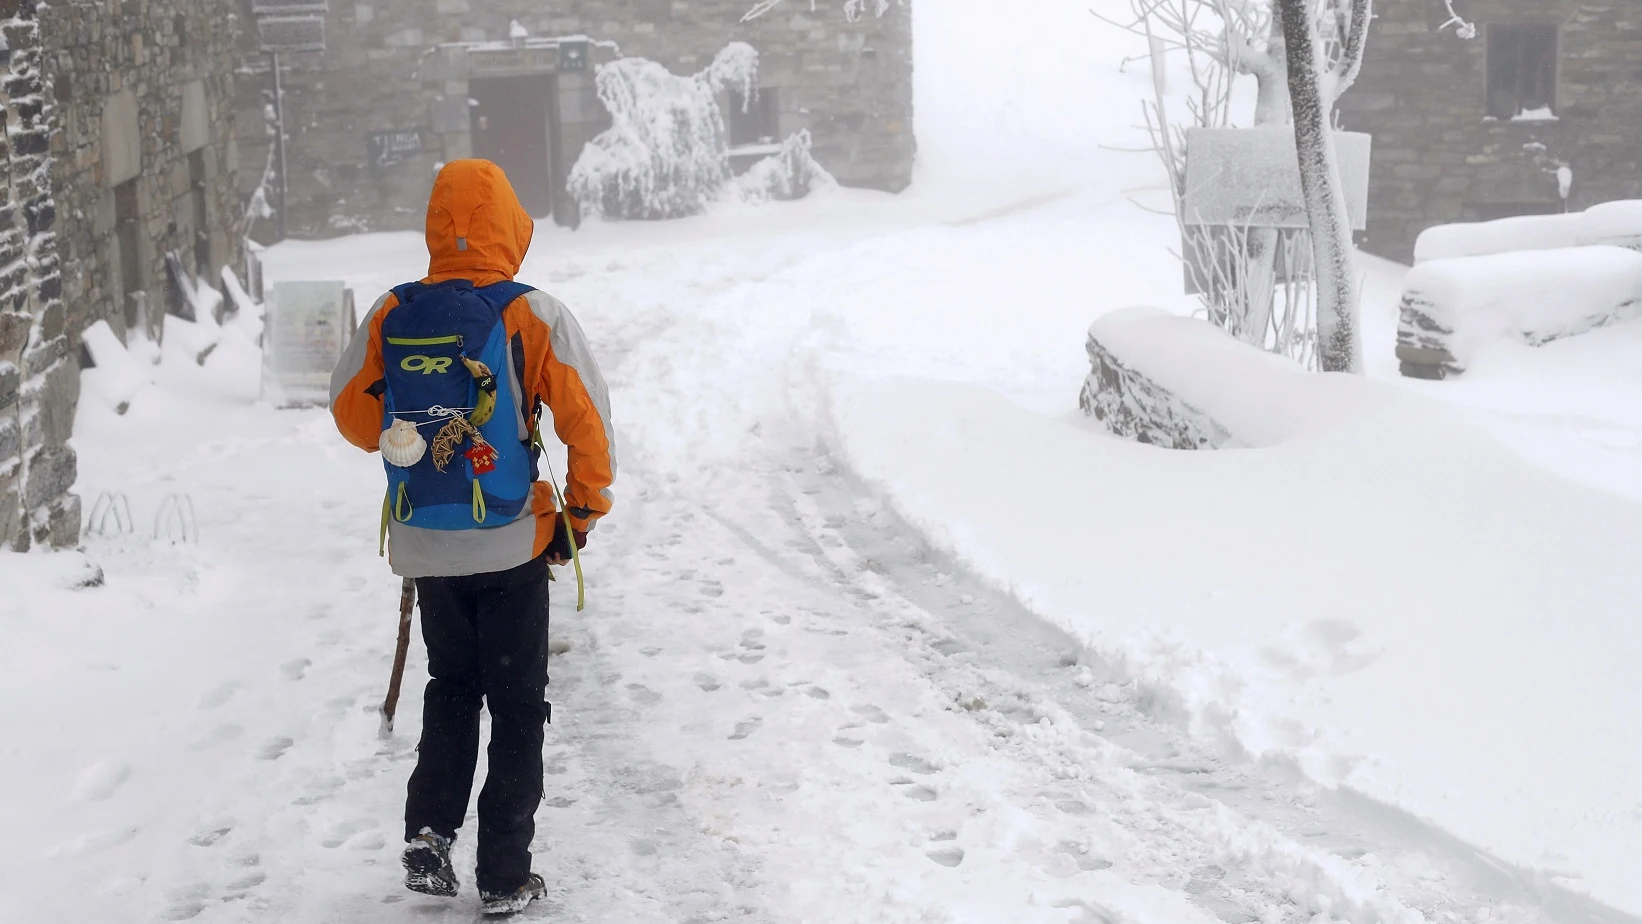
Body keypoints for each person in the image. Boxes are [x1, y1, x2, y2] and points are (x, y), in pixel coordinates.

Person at [329, 159, 616, 915]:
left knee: (452, 687)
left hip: (429, 539)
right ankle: (503, 874)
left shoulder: (395, 309)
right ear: (512, 224)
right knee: (517, 704)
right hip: (513, 540)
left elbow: (354, 419)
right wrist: (580, 515)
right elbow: (589, 426)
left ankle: (429, 833)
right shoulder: (533, 313)